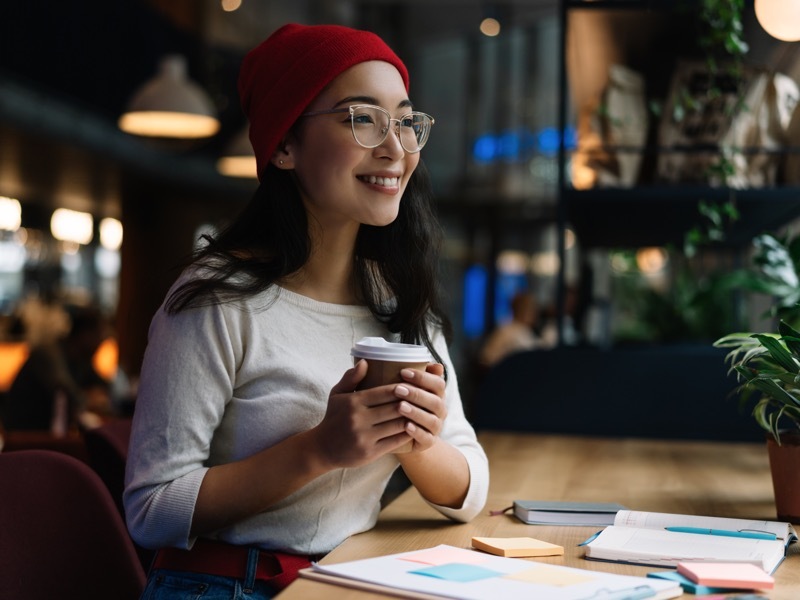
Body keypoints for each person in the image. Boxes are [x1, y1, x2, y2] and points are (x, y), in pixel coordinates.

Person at [124, 23, 489, 599]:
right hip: (220, 585)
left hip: (345, 580)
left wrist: (417, 442)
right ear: (286, 145)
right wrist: (319, 449)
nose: (395, 148)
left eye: (405, 121)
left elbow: (470, 490)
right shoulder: (217, 300)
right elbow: (151, 509)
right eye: (362, 118)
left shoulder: (400, 303)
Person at [4, 303, 111, 432]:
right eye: (100, 335)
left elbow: (105, 386)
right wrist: (88, 398)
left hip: (48, 436)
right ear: (85, 334)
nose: (101, 342)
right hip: (23, 437)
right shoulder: (48, 353)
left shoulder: (81, 361)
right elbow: (64, 390)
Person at [479, 292, 541, 367]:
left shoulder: (523, 330)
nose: (534, 314)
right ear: (521, 310)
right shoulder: (509, 331)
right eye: (531, 309)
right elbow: (486, 358)